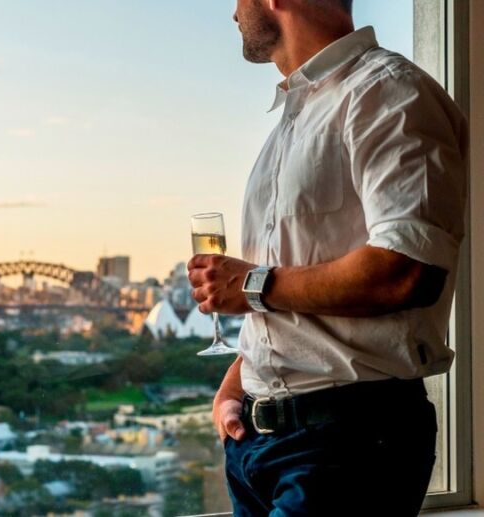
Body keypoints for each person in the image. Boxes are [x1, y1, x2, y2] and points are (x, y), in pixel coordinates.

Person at [187, 0, 468, 515]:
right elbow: (295, 304)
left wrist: (251, 285)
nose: (233, 13)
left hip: (347, 446)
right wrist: (235, 388)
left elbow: (407, 271)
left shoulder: (388, 92)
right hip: (258, 447)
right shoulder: (296, 118)